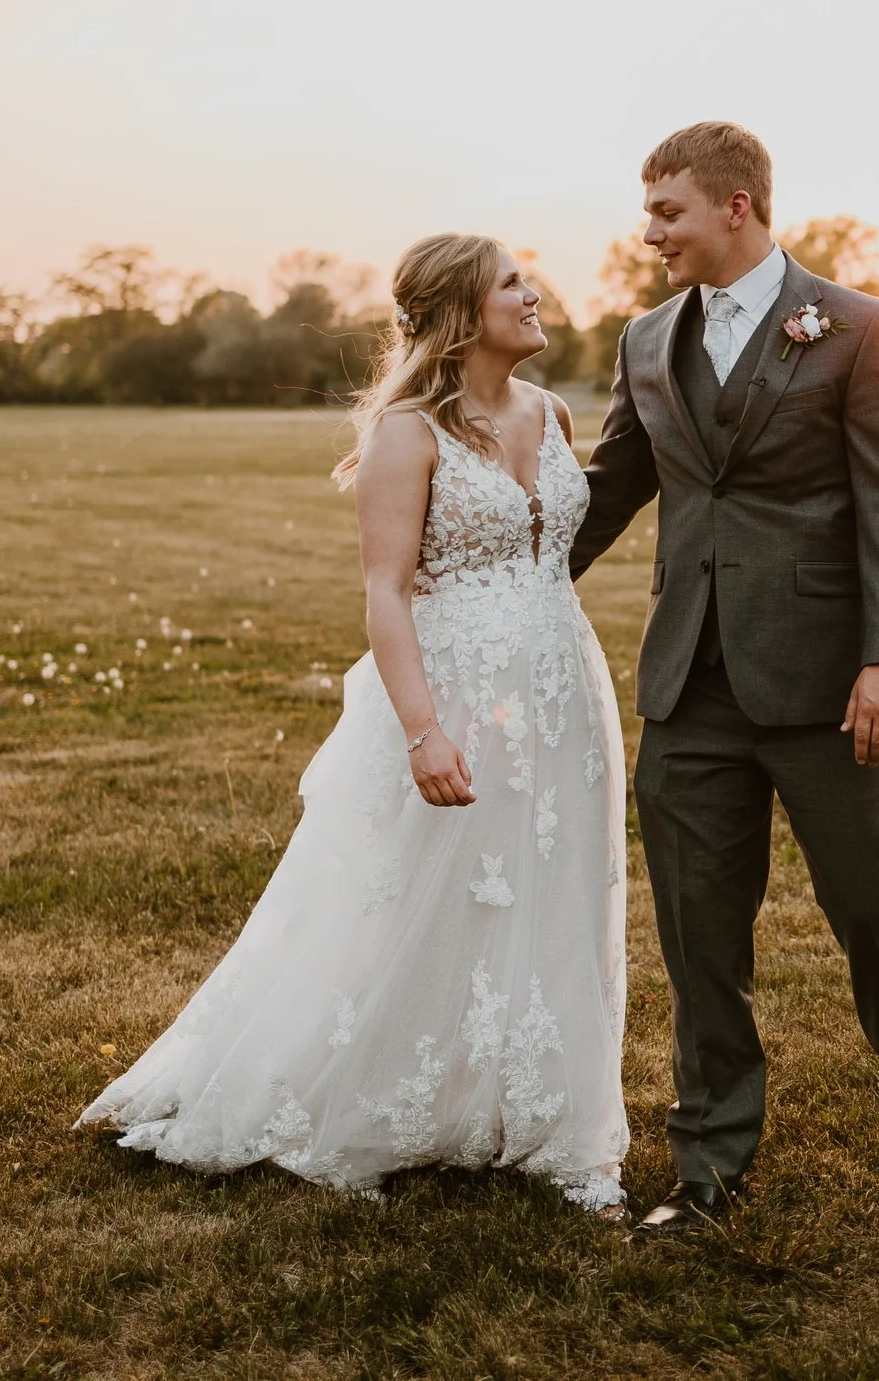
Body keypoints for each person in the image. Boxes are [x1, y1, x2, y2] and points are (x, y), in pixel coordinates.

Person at [78, 233, 630, 1217]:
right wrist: (423, 729)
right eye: (513, 282)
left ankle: (549, 1120)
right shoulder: (406, 433)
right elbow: (383, 589)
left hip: (561, 687)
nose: (535, 293)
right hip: (449, 688)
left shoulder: (551, 411)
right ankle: (368, 1094)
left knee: (552, 889)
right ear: (463, 311)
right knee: (419, 895)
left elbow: (548, 550)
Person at [570, 122, 879, 1239]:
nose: (650, 233)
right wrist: (495, 584)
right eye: (649, 213)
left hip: (824, 683)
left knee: (870, 908)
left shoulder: (857, 328)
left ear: (734, 207)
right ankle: (710, 1160)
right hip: (684, 682)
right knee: (700, 932)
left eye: (667, 213)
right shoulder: (645, 339)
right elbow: (611, 486)